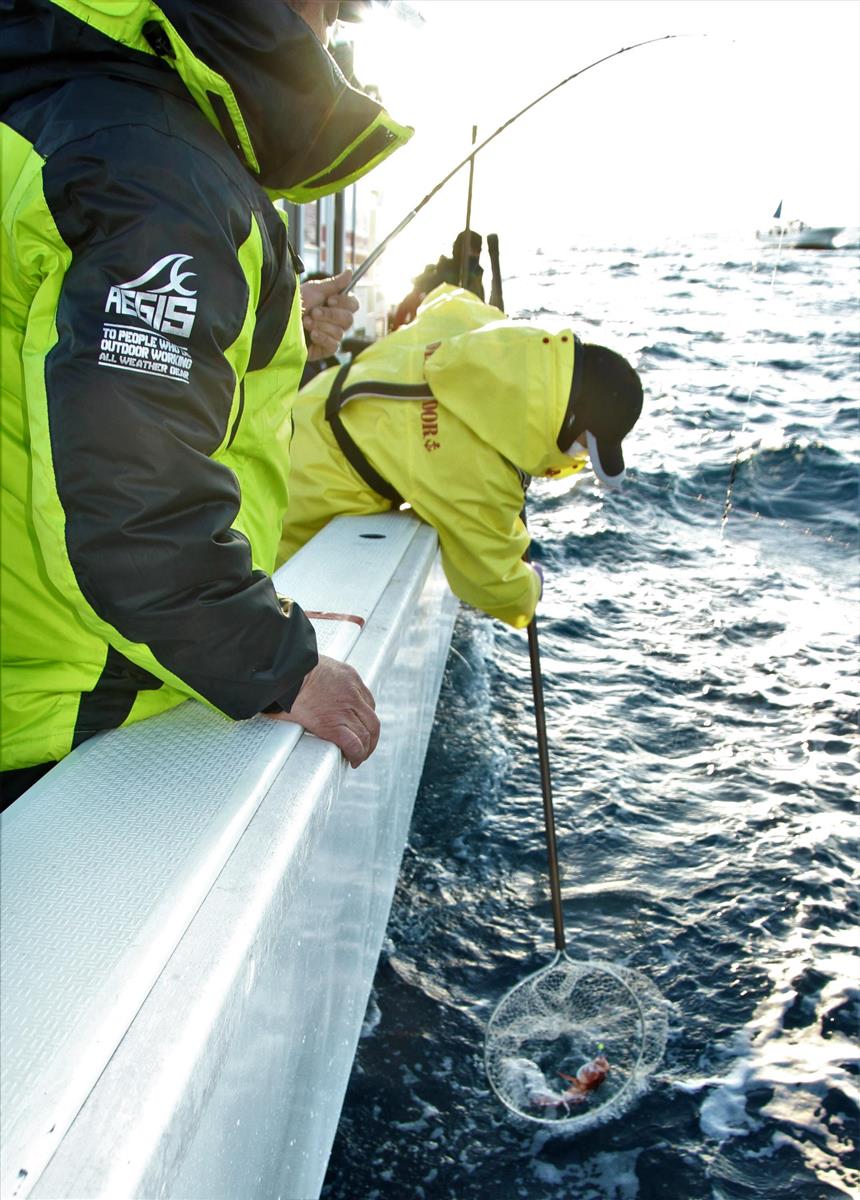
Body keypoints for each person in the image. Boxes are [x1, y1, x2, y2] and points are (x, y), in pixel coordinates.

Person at [0, 0, 414, 808]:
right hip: (67, 719)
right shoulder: (159, 167)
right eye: (334, 10)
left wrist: (275, 333)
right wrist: (276, 662)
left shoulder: (66, 106)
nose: (331, 34)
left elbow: (62, 377)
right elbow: (129, 492)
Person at [277, 285, 644, 629]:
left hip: (294, 415)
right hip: (303, 492)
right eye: (583, 445)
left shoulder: (476, 325)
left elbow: (445, 296)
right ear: (569, 421)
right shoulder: (485, 479)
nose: (577, 457)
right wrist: (533, 586)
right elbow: (495, 583)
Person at [392, 230, 486, 329]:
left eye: (478, 251)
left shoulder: (476, 282)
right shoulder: (437, 278)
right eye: (471, 250)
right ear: (459, 249)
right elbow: (407, 305)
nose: (475, 255)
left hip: (468, 338)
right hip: (436, 337)